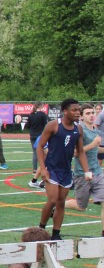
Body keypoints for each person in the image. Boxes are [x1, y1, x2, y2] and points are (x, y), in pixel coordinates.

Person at [37, 98, 91, 241]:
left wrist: (87, 171)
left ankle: (56, 233)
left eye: (78, 110)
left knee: (61, 202)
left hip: (66, 171)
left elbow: (80, 151)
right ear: (65, 111)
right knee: (53, 200)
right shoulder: (53, 125)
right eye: (74, 110)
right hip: (52, 169)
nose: (77, 112)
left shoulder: (78, 129)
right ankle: (40, 229)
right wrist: (43, 169)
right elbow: (40, 146)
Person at [64, 105, 104, 235]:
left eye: (93, 113)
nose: (91, 115)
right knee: (81, 207)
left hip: (97, 172)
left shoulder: (95, 131)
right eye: (88, 113)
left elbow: (95, 149)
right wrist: (93, 144)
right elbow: (75, 152)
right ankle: (59, 204)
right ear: (81, 116)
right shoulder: (79, 131)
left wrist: (98, 147)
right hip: (82, 174)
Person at [27, 102, 49, 188]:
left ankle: (34, 171)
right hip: (41, 136)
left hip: (33, 135)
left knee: (36, 154)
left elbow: (28, 125)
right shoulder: (42, 115)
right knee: (47, 158)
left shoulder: (31, 115)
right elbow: (46, 125)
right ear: (41, 106)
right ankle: (41, 179)